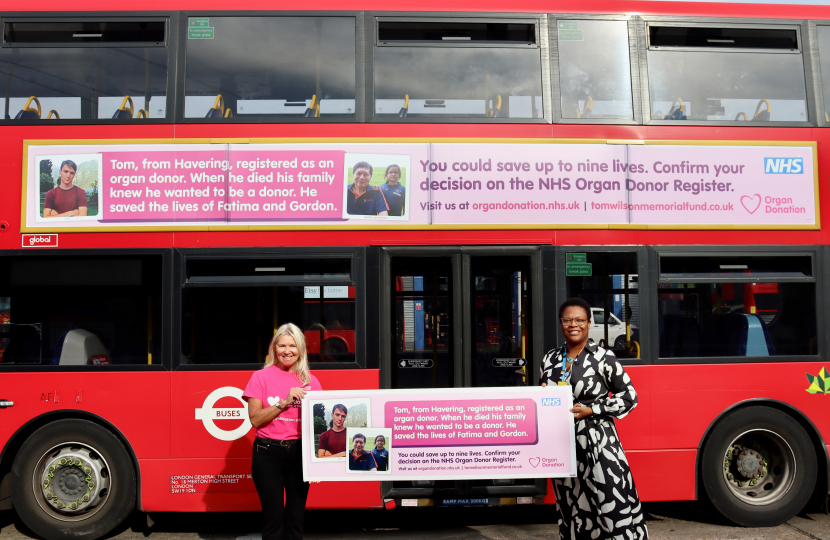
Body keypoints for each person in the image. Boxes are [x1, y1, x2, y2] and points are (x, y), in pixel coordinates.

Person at [540, 298, 648, 540]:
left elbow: (629, 397)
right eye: (567, 320)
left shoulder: (603, 357)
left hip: (599, 445)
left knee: (609, 503)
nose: (573, 325)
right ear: (561, 323)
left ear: (589, 323)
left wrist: (594, 409)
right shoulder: (549, 359)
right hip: (563, 447)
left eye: (579, 320)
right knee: (571, 505)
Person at [243, 323, 322, 540]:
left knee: (296, 520)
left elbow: (319, 427)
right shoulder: (260, 377)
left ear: (301, 349)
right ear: (274, 348)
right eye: (282, 345)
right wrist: (284, 402)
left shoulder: (311, 382)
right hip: (268, 453)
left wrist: (318, 462)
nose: (287, 351)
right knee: (273, 520)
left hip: (299, 455)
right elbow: (255, 419)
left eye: (293, 346)